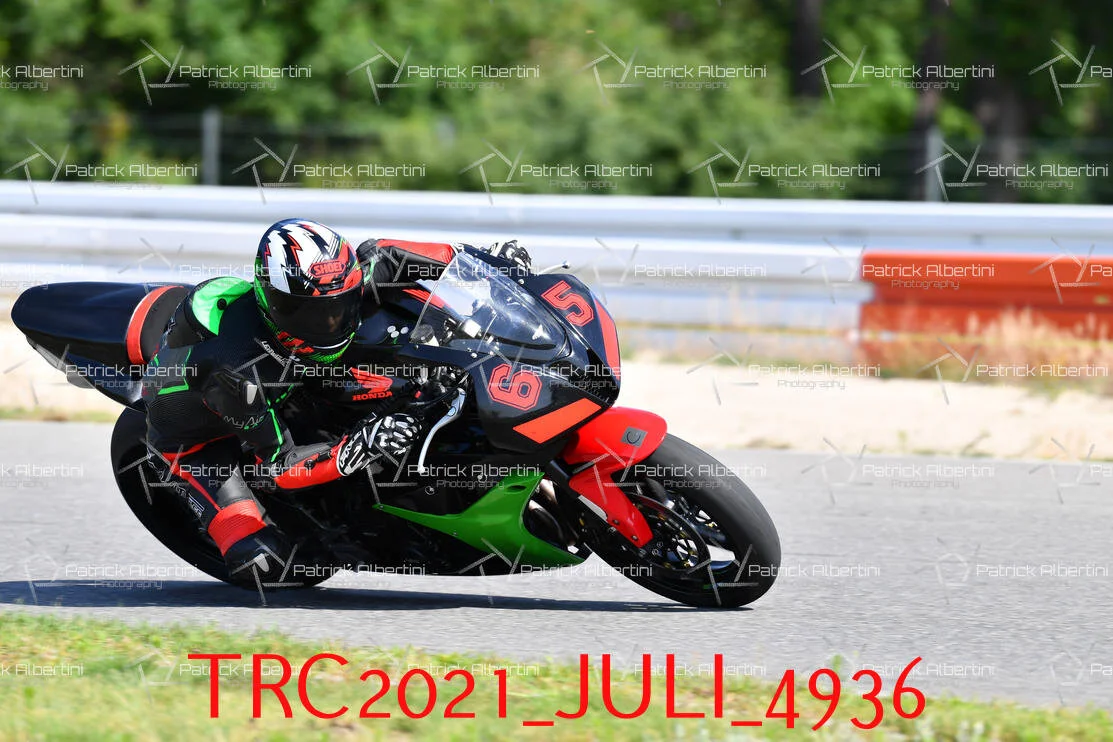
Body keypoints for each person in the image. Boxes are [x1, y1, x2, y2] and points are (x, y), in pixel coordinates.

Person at [140, 218, 531, 584]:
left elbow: (434, 256)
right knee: (265, 563)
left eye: (341, 305)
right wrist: (358, 446)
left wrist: (493, 263)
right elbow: (278, 465)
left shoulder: (361, 271)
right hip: (195, 442)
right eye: (312, 314)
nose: (331, 322)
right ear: (273, 304)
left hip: (289, 384)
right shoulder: (239, 372)